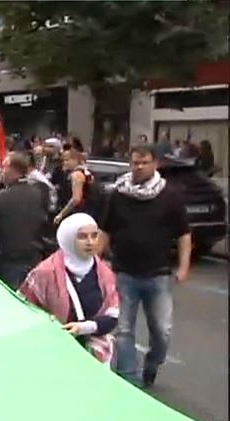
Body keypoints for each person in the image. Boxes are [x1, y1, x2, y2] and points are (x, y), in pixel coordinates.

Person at [101, 145, 191, 388]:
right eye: (135, 163)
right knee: (123, 330)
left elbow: (183, 234)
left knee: (162, 331)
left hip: (158, 275)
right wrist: (97, 262)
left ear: (155, 164)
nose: (139, 167)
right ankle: (130, 380)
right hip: (123, 272)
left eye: (144, 163)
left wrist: (183, 267)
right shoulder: (118, 194)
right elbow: (106, 230)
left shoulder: (170, 195)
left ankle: (152, 364)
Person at [19, 214, 119, 364]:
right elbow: (23, 308)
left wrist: (83, 328)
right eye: (82, 237)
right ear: (68, 238)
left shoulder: (104, 274)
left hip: (92, 356)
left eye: (94, 236)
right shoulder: (44, 273)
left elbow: (112, 316)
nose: (90, 242)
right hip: (52, 353)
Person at [0, 152, 49, 289]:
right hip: (36, 257)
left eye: (4, 167)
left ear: (13, 169)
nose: (1, 171)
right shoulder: (40, 193)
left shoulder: (0, 198)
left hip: (10, 259)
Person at [54, 149, 102, 224]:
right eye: (63, 160)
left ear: (75, 160)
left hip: (78, 213)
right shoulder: (86, 172)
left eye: (67, 160)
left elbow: (76, 198)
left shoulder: (76, 175)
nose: (64, 163)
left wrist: (61, 214)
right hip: (88, 211)